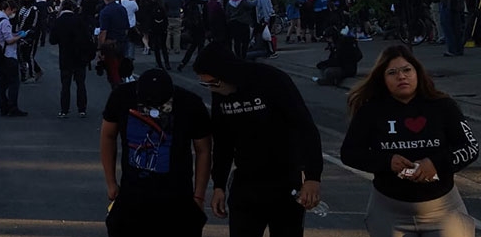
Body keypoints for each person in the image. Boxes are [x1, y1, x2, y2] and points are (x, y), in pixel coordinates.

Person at [340, 45, 477, 237]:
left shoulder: (443, 106)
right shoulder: (370, 111)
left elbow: (470, 147)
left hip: (443, 210)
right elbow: (349, 153)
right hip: (389, 211)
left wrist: (436, 164)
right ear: (383, 79)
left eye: (407, 70)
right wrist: (387, 162)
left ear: (417, 73)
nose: (401, 76)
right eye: (392, 72)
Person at [193, 47, 323, 236]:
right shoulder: (220, 92)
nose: (212, 88)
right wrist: (219, 185)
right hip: (246, 181)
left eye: (213, 83)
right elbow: (223, 141)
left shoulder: (271, 80)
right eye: (206, 85)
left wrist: (312, 177)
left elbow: (305, 127)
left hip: (284, 178)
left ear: (228, 73)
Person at [100, 68, 212, 237]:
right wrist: (111, 182)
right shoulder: (121, 97)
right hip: (132, 196)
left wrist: (198, 197)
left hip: (177, 199)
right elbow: (108, 136)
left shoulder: (190, 104)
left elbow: (203, 150)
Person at [50, 0, 91, 119]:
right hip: (79, 56)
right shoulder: (79, 20)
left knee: (65, 85)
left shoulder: (59, 21)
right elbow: (87, 37)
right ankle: (82, 109)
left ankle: (64, 110)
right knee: (81, 84)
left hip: (65, 55)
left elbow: (52, 40)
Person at [0, 0, 28, 117]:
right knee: (14, 83)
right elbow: (9, 40)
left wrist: (15, 34)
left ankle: (3, 107)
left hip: (0, 54)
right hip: (8, 55)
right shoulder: (5, 21)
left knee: (2, 84)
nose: (13, 14)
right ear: (8, 9)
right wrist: (20, 36)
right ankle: (13, 107)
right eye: (13, 11)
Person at [98, 0, 130, 87]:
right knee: (120, 70)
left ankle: (118, 94)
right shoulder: (122, 9)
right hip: (122, 42)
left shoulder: (105, 12)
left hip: (111, 44)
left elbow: (103, 32)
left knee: (113, 73)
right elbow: (126, 28)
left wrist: (100, 48)